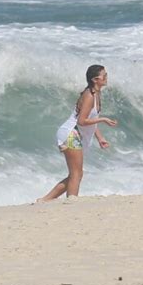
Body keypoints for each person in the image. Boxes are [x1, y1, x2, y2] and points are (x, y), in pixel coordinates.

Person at [37, 65, 118, 202]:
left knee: (75, 174)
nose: (107, 77)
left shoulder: (96, 94)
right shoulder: (89, 96)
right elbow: (81, 121)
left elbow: (90, 119)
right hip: (70, 133)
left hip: (74, 134)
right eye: (104, 75)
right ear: (95, 79)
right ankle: (72, 202)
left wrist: (100, 137)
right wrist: (103, 119)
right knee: (77, 173)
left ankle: (45, 200)